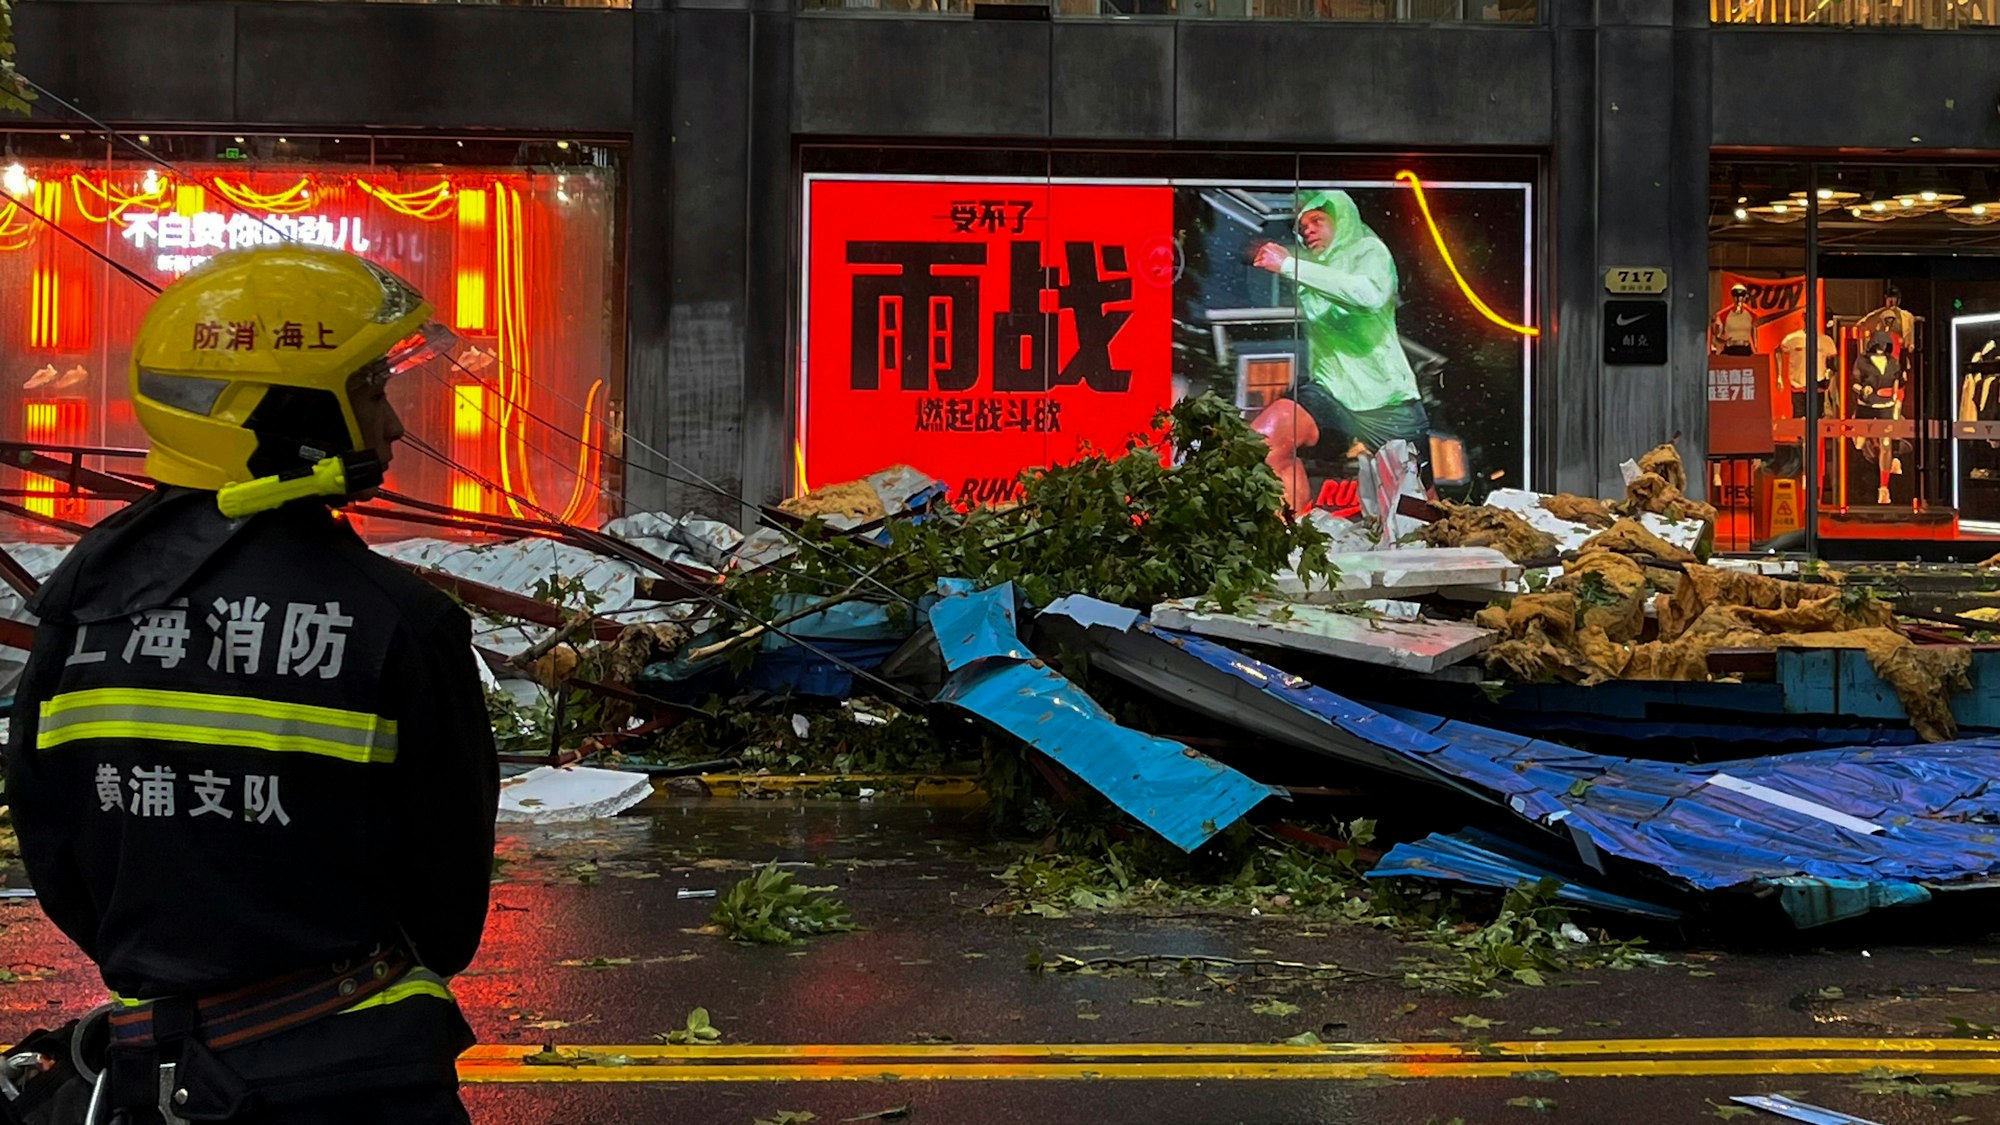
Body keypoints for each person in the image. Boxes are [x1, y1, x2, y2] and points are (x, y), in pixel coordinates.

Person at [5, 245, 499, 1123]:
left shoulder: (81, 603)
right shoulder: (402, 622)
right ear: (288, 411)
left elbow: (59, 852)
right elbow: (447, 912)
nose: (391, 426)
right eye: (371, 391)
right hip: (365, 1085)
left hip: (159, 1078)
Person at [1246, 189, 1431, 514]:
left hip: (1385, 400)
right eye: (1302, 227)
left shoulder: (1368, 251)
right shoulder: (1309, 269)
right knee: (1263, 443)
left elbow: (1369, 295)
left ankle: (1441, 553)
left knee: (1418, 507)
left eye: (1317, 221)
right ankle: (1293, 542)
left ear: (1342, 220)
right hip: (1330, 392)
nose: (1308, 230)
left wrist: (1289, 264)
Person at [1711, 283, 1755, 356]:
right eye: (1736, 296)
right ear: (1733, 297)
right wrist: (1724, 342)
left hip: (1746, 350)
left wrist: (1754, 351)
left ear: (1745, 298)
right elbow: (1717, 337)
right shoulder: (1723, 314)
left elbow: (1754, 335)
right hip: (1730, 349)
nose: (1739, 299)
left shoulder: (1751, 314)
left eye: (1741, 296)